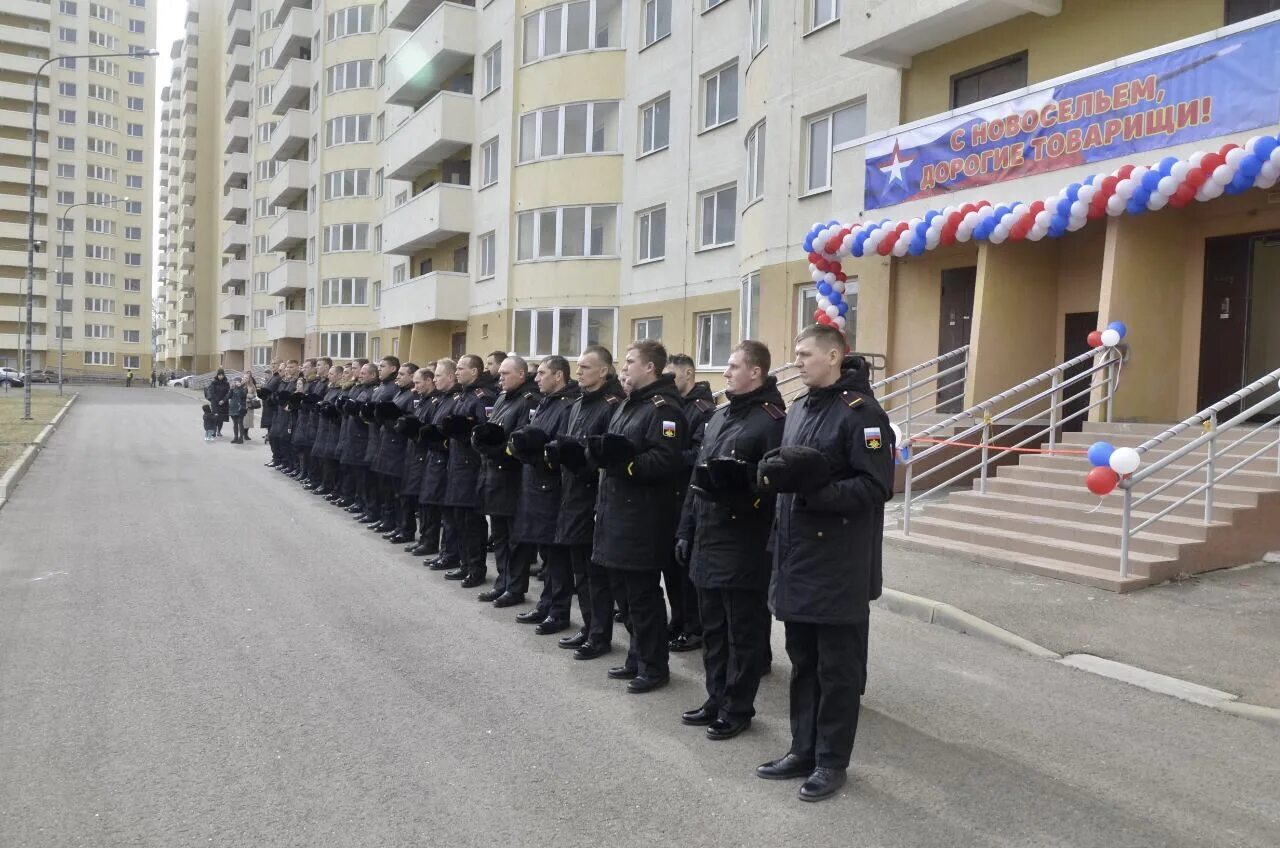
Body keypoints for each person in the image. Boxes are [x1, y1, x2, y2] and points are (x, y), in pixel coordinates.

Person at [753, 325, 894, 803]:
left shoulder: (863, 415)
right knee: (804, 663)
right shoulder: (800, 408)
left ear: (834, 356)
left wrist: (813, 491)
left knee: (838, 671)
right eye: (795, 354)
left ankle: (832, 761)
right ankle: (802, 749)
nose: (796, 362)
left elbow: (876, 488)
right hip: (797, 560)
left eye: (805, 354)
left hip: (838, 566)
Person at [676, 340, 785, 741]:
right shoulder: (721, 417)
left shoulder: (771, 421)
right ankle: (715, 697)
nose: (725, 373)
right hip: (707, 535)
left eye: (733, 366)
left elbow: (776, 488)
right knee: (714, 628)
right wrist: (685, 529)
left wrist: (744, 490)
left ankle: (738, 706)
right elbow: (696, 480)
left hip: (744, 541)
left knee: (743, 631)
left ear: (755, 371)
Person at [590, 339, 687, 694]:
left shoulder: (664, 410)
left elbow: (666, 460)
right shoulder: (630, 404)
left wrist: (624, 464)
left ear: (650, 367)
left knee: (642, 596)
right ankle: (637, 655)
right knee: (624, 594)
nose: (624, 366)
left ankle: (654, 665)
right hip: (615, 513)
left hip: (643, 519)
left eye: (630, 361)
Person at [547, 346, 624, 658]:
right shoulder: (579, 404)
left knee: (596, 575)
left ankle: (599, 634)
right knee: (580, 569)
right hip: (572, 494)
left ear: (603, 371)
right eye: (578, 367)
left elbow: (607, 455)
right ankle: (589, 626)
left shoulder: (610, 405)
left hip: (593, 497)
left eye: (585, 368)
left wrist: (582, 460)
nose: (578, 373)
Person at [507, 356, 579, 631]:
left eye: (542, 374)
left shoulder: (566, 405)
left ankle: (558, 611)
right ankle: (546, 605)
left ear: (558, 376)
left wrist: (537, 454)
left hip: (552, 488)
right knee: (547, 552)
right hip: (536, 486)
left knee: (555, 556)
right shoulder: (545, 402)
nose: (536, 378)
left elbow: (557, 446)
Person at [472, 355, 541, 606]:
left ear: (521, 375)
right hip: (494, 477)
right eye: (499, 374)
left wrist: (498, 448)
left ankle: (515, 587)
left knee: (516, 538)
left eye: (505, 374)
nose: (499, 378)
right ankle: (503, 582)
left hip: (513, 478)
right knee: (499, 535)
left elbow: (522, 440)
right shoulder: (502, 398)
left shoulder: (529, 401)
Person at [664, 353, 716, 653]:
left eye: (673, 375)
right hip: (668, 499)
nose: (669, 380)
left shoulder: (703, 410)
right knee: (670, 567)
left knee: (685, 571)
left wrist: (666, 459)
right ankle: (680, 619)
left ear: (689, 374)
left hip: (687, 496)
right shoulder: (671, 407)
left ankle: (693, 628)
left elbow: (698, 454)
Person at [439, 354, 498, 587]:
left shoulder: (481, 397)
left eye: (462, 368)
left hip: (471, 467)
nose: (457, 372)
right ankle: (464, 563)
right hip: (456, 465)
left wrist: (466, 431)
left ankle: (476, 568)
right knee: (459, 519)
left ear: (474, 372)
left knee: (472, 522)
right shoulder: (462, 395)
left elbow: (485, 432)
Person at [419, 359, 463, 570]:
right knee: (442, 509)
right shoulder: (442, 399)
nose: (434, 378)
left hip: (447, 461)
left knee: (449, 512)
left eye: (438, 375)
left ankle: (451, 554)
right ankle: (446, 552)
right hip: (437, 459)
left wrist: (439, 441)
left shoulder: (455, 400)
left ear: (451, 377)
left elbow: (455, 433)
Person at [371, 361, 419, 540]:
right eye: (398, 374)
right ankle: (390, 521)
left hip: (399, 449)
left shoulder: (411, 397)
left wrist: (392, 421)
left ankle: (405, 528)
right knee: (389, 490)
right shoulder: (400, 392)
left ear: (412, 377)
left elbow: (408, 421)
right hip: (388, 446)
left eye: (402, 374)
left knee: (401, 494)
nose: (398, 377)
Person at [395, 364, 437, 550]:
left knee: (425, 501)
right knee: (412, 496)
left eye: (418, 383)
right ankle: (418, 536)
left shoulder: (434, 401)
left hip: (425, 455)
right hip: (414, 453)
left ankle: (428, 540)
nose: (415, 386)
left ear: (429, 381)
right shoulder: (422, 400)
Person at [335, 361, 378, 513]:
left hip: (362, 436)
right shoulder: (358, 387)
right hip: (352, 433)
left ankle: (364, 505)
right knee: (354, 472)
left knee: (363, 476)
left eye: (362, 373)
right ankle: (357, 500)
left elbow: (369, 415)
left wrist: (358, 412)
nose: (359, 375)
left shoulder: (373, 390)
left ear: (373, 374)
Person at [206, 368, 231, 438]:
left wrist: (223, 400)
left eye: (222, 375)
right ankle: (214, 431)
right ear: (217, 375)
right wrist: (218, 401)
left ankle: (219, 431)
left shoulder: (226, 383)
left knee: (221, 418)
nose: (221, 376)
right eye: (219, 375)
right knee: (215, 417)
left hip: (224, 403)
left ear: (224, 375)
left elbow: (228, 393)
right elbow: (212, 392)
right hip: (215, 403)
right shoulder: (213, 382)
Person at [227, 376, 250, 444]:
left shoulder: (244, 388)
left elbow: (242, 395)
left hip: (240, 408)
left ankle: (241, 438)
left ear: (240, 382)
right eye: (235, 381)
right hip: (233, 407)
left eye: (237, 381)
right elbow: (229, 396)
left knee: (240, 423)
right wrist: (231, 389)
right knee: (235, 424)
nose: (235, 383)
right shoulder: (233, 388)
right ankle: (235, 437)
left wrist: (239, 387)